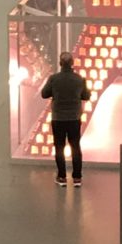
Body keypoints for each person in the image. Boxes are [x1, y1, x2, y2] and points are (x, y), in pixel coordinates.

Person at [40, 52, 91, 186]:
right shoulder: (79, 79)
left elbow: (44, 94)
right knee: (75, 147)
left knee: (59, 147)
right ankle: (77, 177)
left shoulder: (54, 79)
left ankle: (61, 176)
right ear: (72, 63)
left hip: (58, 118)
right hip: (74, 118)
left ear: (60, 63)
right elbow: (86, 96)